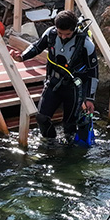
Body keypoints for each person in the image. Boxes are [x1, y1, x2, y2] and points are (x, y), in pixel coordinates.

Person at [18, 10, 99, 143]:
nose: (62, 37)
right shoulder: (51, 34)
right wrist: (22, 57)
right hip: (54, 82)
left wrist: (90, 98)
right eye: (60, 33)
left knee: (69, 127)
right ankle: (50, 143)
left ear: (74, 29)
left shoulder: (85, 44)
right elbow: (37, 47)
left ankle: (68, 153)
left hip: (74, 88)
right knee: (42, 117)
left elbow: (93, 73)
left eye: (67, 34)